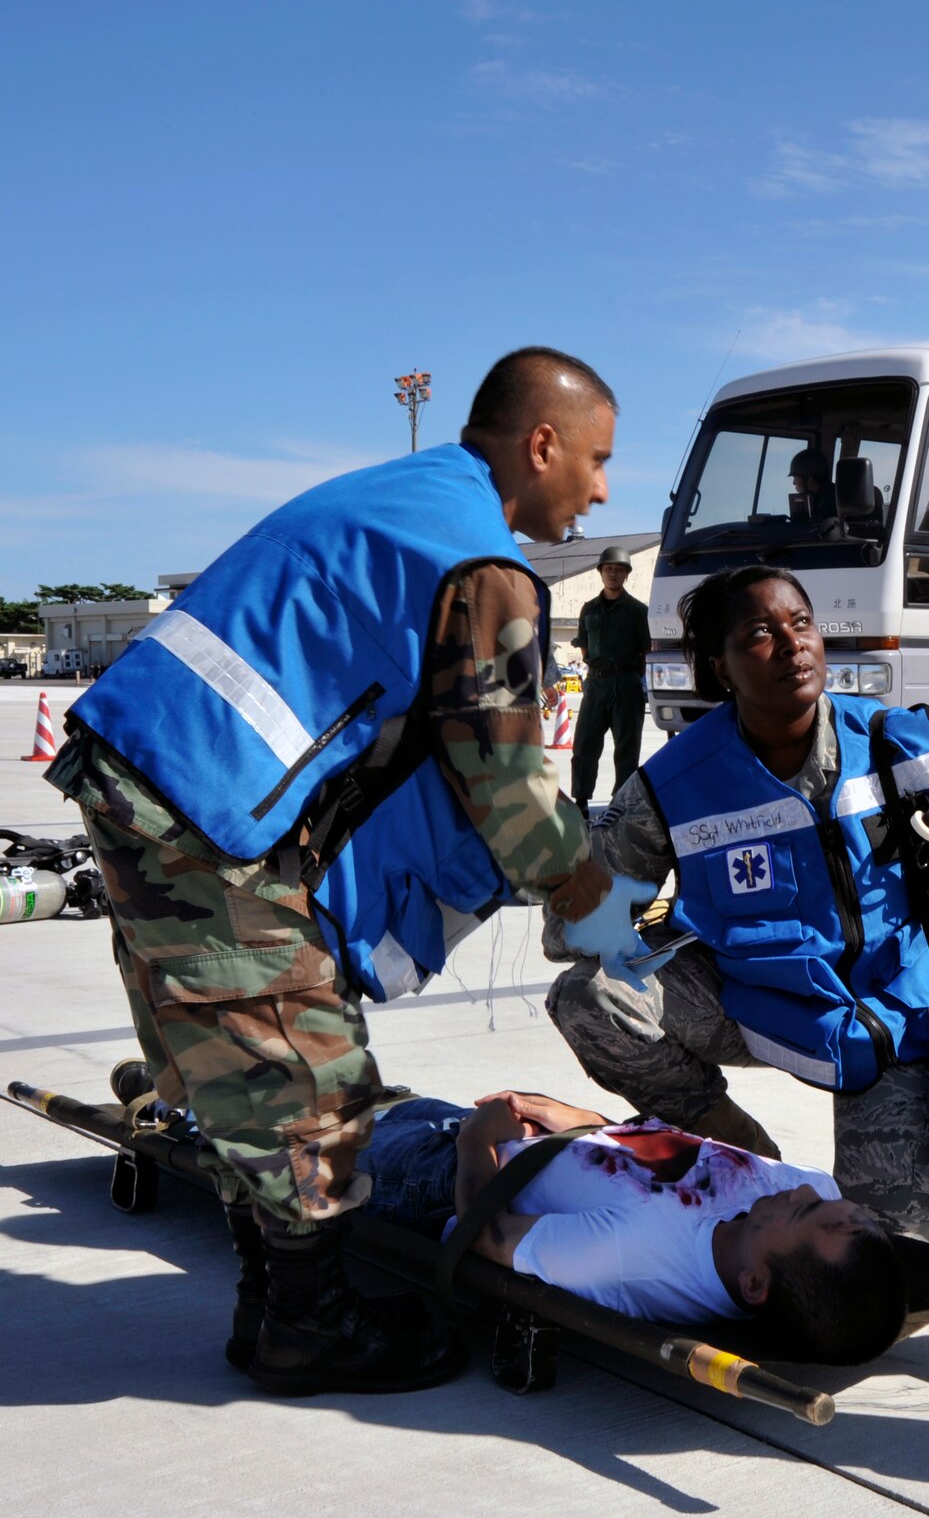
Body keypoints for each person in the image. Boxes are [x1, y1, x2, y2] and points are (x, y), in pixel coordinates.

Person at [46, 348, 653, 1396]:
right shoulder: (481, 565)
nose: (601, 490)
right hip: (203, 801)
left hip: (147, 770)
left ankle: (275, 1304)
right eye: (596, 461)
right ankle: (308, 1325)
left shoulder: (404, 500)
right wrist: (592, 900)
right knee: (307, 1067)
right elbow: (506, 787)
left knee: (249, 1069)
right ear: (540, 444)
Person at [544, 565, 929, 1248]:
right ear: (719, 667)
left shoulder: (910, 748)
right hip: (761, 1005)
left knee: (890, 1251)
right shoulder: (675, 782)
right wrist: (559, 864)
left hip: (900, 1020)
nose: (793, 646)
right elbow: (582, 928)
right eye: (760, 634)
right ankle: (750, 1162)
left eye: (801, 625)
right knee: (590, 998)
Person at [354, 1089, 906, 1364]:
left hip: (430, 1170)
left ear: (756, 1282)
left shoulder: (633, 1254)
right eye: (835, 1203)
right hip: (523, 1127)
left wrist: (475, 1138)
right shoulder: (808, 1199)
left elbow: (484, 1236)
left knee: (297, 1119)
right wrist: (564, 1115)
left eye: (804, 1212)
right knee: (365, 1094)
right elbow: (648, 1147)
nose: (808, 1190)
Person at [570, 544, 651, 809]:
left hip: (626, 683)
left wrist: (629, 677)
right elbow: (583, 644)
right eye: (608, 569)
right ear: (600, 572)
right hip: (595, 684)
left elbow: (645, 651)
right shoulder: (589, 609)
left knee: (627, 749)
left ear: (627, 574)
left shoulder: (638, 611)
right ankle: (581, 801)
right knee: (584, 745)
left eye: (618, 570)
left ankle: (621, 804)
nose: (612, 574)